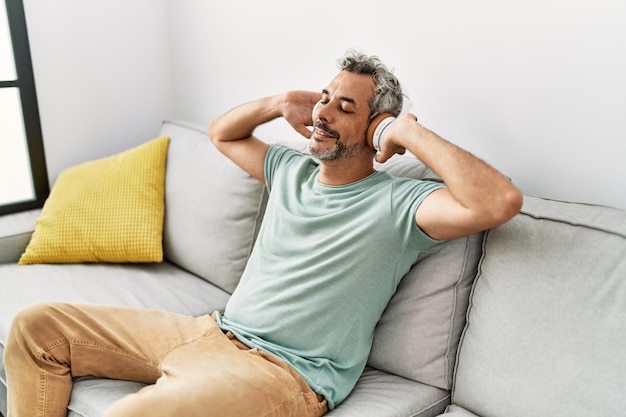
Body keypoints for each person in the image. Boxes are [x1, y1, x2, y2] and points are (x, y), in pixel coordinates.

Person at [4, 50, 522, 417]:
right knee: (38, 328)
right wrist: (280, 102)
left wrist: (406, 131)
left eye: (346, 108)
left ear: (375, 127)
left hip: (284, 374)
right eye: (325, 97)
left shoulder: (401, 204)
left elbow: (498, 201)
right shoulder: (290, 171)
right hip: (211, 331)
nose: (323, 112)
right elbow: (221, 133)